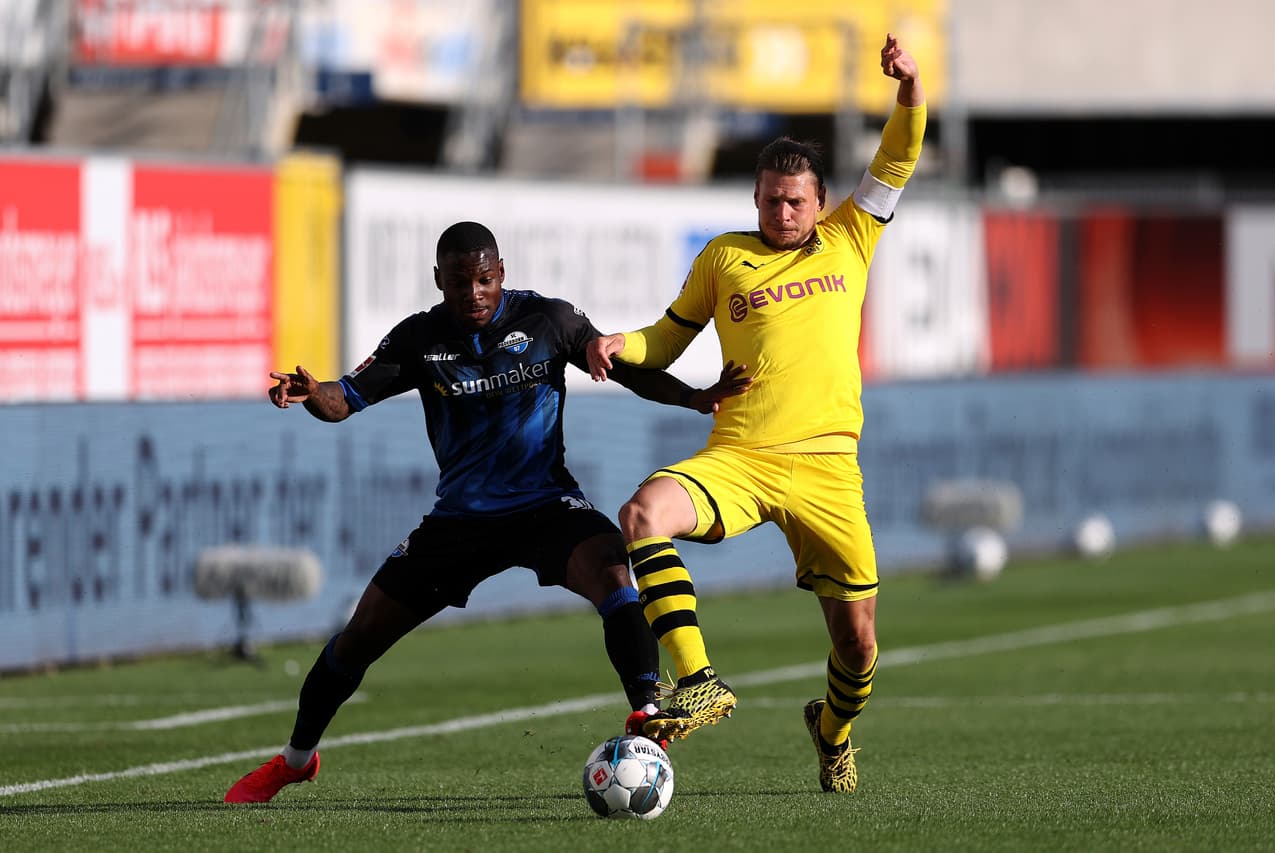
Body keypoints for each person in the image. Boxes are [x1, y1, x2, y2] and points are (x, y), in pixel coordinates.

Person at [224, 221, 749, 803]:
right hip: (460, 521)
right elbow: (343, 400)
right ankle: (295, 761)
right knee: (358, 639)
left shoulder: (549, 321)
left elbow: (625, 367)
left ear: (501, 273)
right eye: (458, 282)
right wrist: (311, 392)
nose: (473, 292)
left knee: (613, 573)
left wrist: (693, 396)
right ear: (438, 282)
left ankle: (648, 717)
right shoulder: (419, 339)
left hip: (547, 504)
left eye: (483, 279)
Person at [584, 34, 926, 794]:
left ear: (820, 201)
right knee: (642, 511)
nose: (781, 210)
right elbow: (668, 338)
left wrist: (909, 89)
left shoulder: (851, 238)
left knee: (860, 645)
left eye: (795, 199)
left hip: (829, 468)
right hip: (740, 455)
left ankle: (832, 732)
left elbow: (898, 158)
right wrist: (621, 341)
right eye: (770, 198)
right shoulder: (723, 257)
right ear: (754, 198)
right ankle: (699, 680)